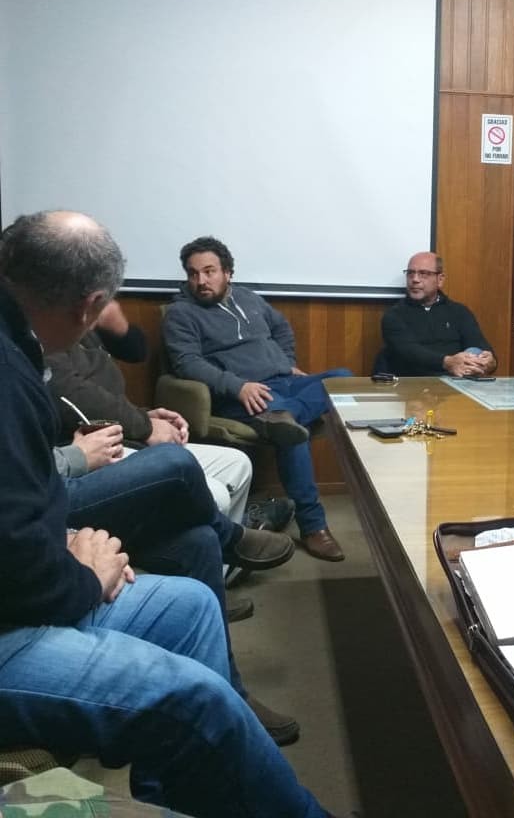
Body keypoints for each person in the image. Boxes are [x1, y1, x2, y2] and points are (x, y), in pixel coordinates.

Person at [0, 210, 339, 818]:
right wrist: (85, 574)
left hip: (40, 560)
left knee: (193, 595)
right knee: (196, 699)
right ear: (90, 305)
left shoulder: (20, 343)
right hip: (17, 618)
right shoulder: (13, 373)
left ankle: (181, 792)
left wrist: (65, 536)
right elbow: (18, 562)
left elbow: (18, 507)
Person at [54, 434, 301, 744]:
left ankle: (228, 690)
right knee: (175, 461)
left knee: (200, 541)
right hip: (54, 497)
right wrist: (74, 457)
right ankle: (231, 537)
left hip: (57, 487)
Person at [162, 236, 351, 562]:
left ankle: (286, 415)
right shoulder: (181, 313)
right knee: (292, 435)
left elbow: (281, 328)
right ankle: (314, 526)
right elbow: (187, 363)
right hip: (242, 396)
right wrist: (238, 386)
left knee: (344, 380)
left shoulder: (248, 298)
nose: (201, 281)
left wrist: (287, 362)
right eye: (193, 274)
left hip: (284, 385)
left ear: (228, 272)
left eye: (209, 271)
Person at [46, 299, 259, 527]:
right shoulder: (43, 327)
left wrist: (144, 415)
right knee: (214, 494)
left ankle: (227, 546)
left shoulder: (84, 316)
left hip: (124, 431)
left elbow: (137, 352)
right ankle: (224, 536)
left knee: (238, 464)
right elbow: (70, 395)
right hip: (88, 446)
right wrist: (145, 427)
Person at [381, 251, 497, 377]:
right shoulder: (394, 315)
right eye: (410, 273)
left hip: (457, 381)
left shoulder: (459, 312)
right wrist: (448, 362)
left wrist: (490, 362)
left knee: (477, 354)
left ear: (440, 280)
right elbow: (409, 352)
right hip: (414, 382)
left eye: (423, 274)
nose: (415, 279)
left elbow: (480, 345)